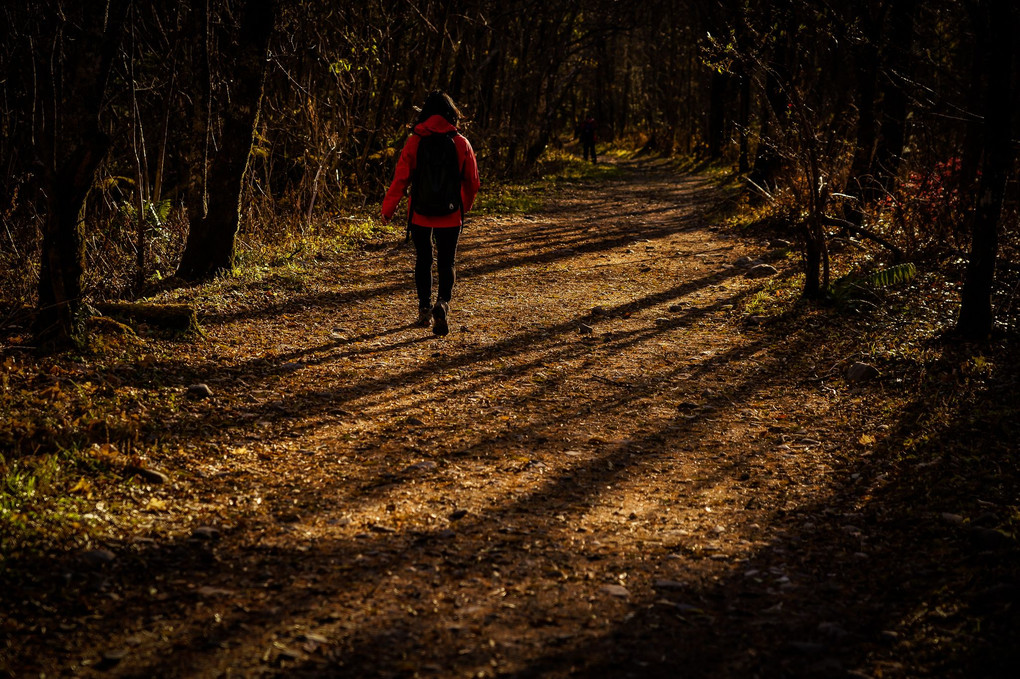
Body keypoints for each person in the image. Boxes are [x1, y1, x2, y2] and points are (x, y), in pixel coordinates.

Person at [382, 91, 480, 336]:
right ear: (451, 113)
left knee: (423, 260)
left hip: (420, 214)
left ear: (425, 113)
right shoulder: (461, 143)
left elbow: (401, 179)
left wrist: (388, 210)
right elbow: (473, 181)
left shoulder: (414, 141)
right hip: (450, 214)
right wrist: (462, 206)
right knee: (447, 262)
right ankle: (443, 303)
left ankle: (424, 310)